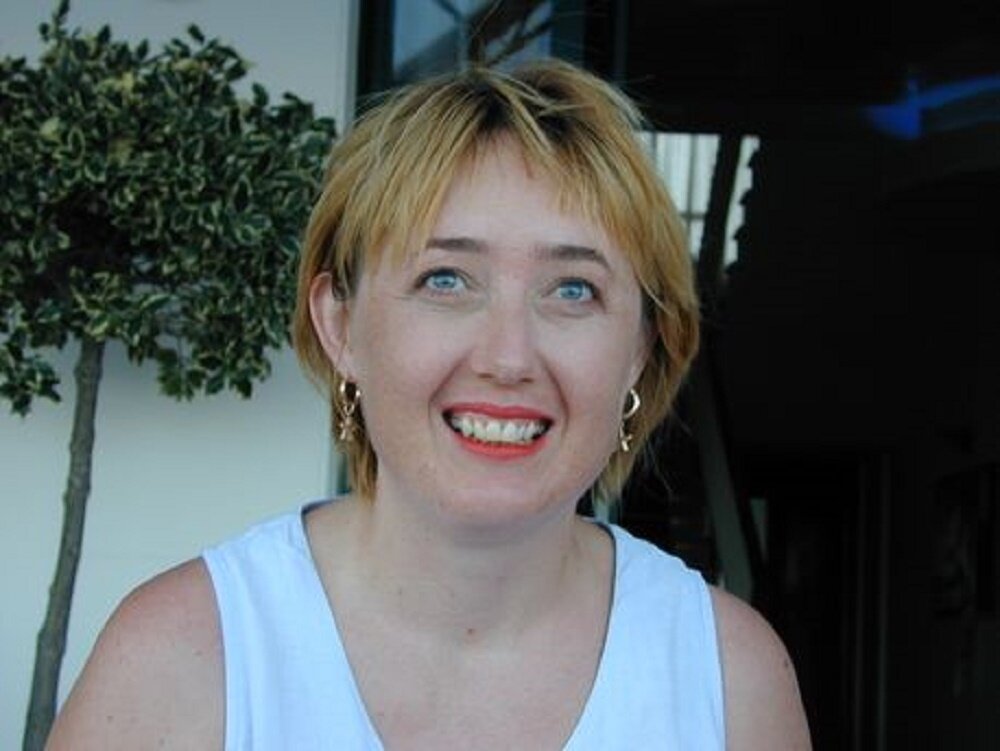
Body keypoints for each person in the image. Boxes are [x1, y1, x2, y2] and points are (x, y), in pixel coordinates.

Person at [47, 59, 811, 749]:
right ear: (340, 324)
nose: (508, 357)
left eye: (573, 289)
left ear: (641, 347)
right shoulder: (178, 663)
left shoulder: (728, 678)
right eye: (445, 280)